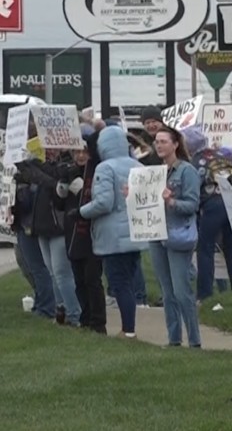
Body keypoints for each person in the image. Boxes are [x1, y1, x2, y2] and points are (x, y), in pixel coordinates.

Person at [77, 125, 146, 339]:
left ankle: (128, 330)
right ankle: (129, 327)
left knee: (119, 284)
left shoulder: (105, 168)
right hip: (136, 232)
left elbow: (104, 203)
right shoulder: (138, 165)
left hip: (113, 237)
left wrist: (81, 212)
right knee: (128, 281)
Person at [143, 126, 203, 348]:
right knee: (167, 292)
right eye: (156, 141)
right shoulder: (155, 172)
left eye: (163, 141)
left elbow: (193, 205)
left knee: (181, 291)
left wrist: (171, 202)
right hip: (156, 233)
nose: (159, 145)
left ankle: (195, 340)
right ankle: (174, 338)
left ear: (175, 144)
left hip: (178, 235)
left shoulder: (186, 171)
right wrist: (134, 197)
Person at [15, 150, 81, 326]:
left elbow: (52, 182)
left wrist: (29, 166)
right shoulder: (41, 168)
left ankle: (74, 315)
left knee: (61, 273)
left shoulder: (66, 168)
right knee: (52, 273)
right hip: (42, 227)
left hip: (58, 228)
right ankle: (61, 312)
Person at [54, 124, 107, 334]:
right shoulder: (70, 171)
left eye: (84, 152)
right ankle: (85, 319)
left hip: (91, 233)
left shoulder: (97, 169)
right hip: (72, 233)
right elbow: (59, 205)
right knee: (79, 280)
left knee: (92, 280)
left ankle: (98, 322)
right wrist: (62, 189)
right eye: (77, 152)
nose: (81, 156)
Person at [192, 145, 232, 301]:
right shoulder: (223, 159)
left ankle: (205, 293)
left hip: (212, 205)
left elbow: (196, 185)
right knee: (231, 247)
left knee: (205, 248)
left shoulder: (198, 160)